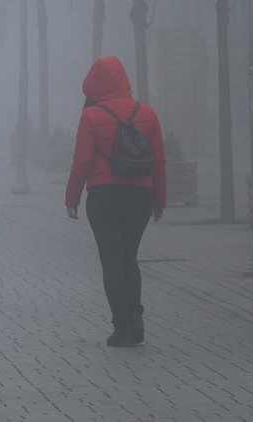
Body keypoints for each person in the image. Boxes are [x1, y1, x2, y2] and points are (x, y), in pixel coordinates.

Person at [65, 55, 167, 347]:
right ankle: (136, 316)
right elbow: (159, 161)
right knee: (129, 258)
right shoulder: (147, 113)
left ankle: (121, 326)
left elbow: (82, 161)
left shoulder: (91, 116)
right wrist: (159, 199)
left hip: (104, 196)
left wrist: (72, 197)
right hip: (139, 195)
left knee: (112, 261)